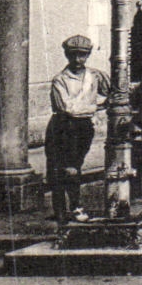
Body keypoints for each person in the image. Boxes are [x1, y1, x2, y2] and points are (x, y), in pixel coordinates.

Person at [46, 35, 108, 224]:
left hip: (83, 128)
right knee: (59, 169)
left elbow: (112, 91)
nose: (78, 60)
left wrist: (108, 101)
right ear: (67, 55)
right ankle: (62, 210)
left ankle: (74, 207)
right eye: (73, 55)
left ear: (88, 55)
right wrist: (96, 107)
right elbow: (67, 108)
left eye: (82, 55)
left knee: (74, 167)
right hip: (63, 127)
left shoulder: (94, 76)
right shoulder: (60, 80)